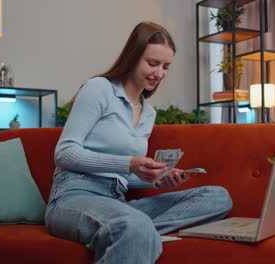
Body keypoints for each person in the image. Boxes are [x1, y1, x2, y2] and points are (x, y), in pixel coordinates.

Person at [45, 21, 232, 264]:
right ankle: (133, 231)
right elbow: (64, 154)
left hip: (117, 202)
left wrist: (156, 179)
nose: (160, 73)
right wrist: (130, 163)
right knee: (134, 223)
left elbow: (126, 174)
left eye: (166, 66)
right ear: (132, 57)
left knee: (218, 197)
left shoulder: (148, 113)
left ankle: (130, 232)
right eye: (153, 63)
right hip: (75, 194)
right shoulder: (99, 89)